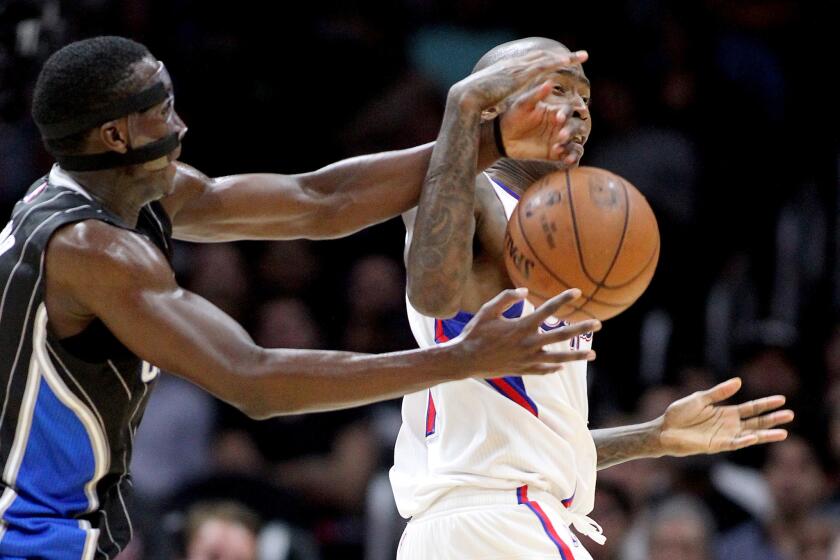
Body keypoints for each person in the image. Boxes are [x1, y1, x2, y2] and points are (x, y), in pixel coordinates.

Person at [0, 36, 596, 559]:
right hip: (29, 537)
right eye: (162, 113)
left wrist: (486, 138)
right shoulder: (91, 249)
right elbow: (253, 379)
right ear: (115, 135)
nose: (181, 126)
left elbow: (319, 201)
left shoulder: (125, 192)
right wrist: (461, 358)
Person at [392, 36, 795, 559]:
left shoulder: (550, 228)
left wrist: (653, 437)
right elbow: (432, 294)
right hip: (504, 523)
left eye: (584, 96)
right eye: (556, 90)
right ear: (492, 100)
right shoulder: (467, 191)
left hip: (476, 523)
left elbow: (514, 448)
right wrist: (463, 113)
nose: (579, 109)